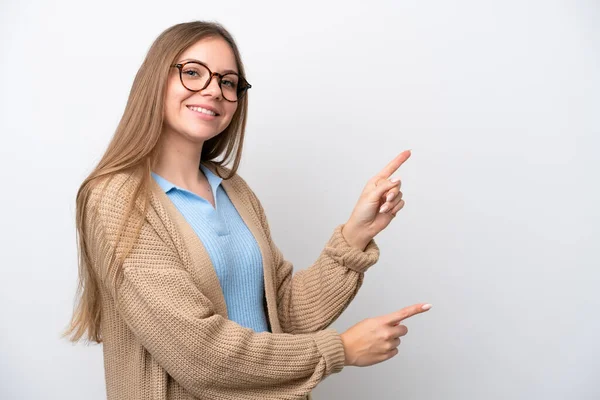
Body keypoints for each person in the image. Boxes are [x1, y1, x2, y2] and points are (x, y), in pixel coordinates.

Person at [64, 20, 431, 400]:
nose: (213, 91)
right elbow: (199, 354)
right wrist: (342, 349)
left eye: (228, 82)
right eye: (192, 73)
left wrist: (356, 234)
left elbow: (284, 314)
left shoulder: (233, 189)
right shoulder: (115, 198)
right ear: (154, 81)